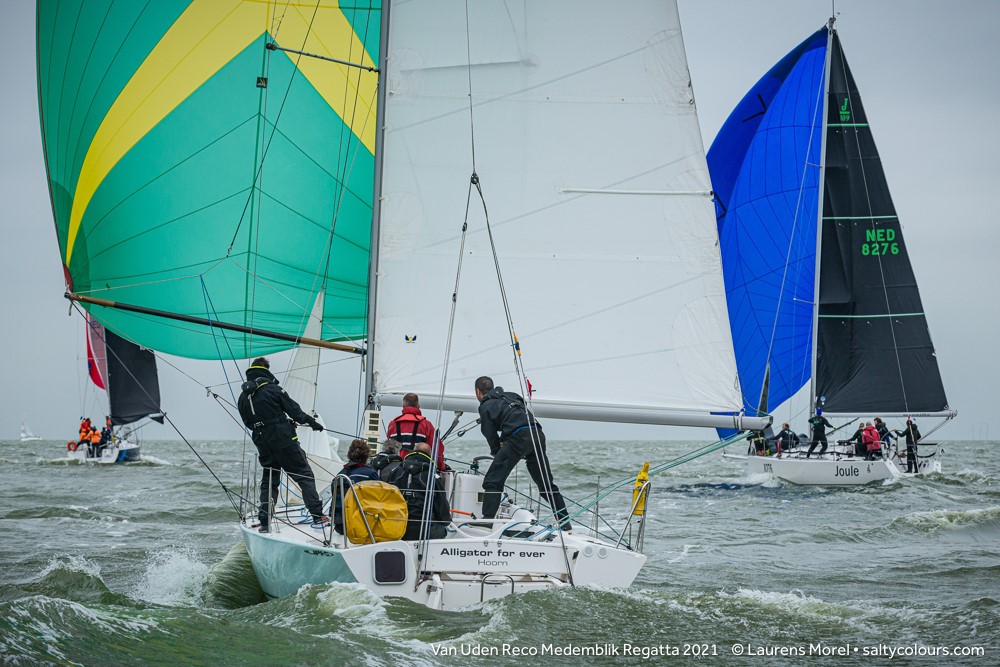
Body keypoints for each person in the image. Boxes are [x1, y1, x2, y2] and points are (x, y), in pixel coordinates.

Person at [236, 357, 328, 532]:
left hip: (262, 443)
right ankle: (318, 517)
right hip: (284, 441)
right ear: (267, 370)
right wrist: (313, 423)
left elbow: (248, 423)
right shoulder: (273, 389)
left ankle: (264, 522)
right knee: (304, 475)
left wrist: (276, 423)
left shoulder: (243, 397)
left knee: (270, 480)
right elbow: (296, 412)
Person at [475, 376, 571, 530]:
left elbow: (489, 433)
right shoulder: (513, 395)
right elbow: (519, 413)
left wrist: (496, 451)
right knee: (546, 486)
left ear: (478, 392)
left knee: (493, 480)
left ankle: (487, 520)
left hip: (518, 437)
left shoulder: (485, 406)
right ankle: (566, 524)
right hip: (537, 434)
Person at [388, 442, 452, 540]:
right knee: (444, 530)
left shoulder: (395, 472)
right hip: (424, 530)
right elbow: (442, 510)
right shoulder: (433, 476)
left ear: (413, 452)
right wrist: (446, 522)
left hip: (396, 529)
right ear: (430, 455)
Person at [385, 393, 446, 471]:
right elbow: (437, 450)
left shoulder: (392, 424)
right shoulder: (426, 425)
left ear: (403, 407)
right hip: (419, 470)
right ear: (418, 407)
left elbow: (389, 449)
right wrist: (441, 467)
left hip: (396, 470)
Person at [332, 439, 380, 535]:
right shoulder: (370, 474)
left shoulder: (339, 476)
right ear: (366, 456)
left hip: (340, 526)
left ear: (349, 454)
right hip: (362, 525)